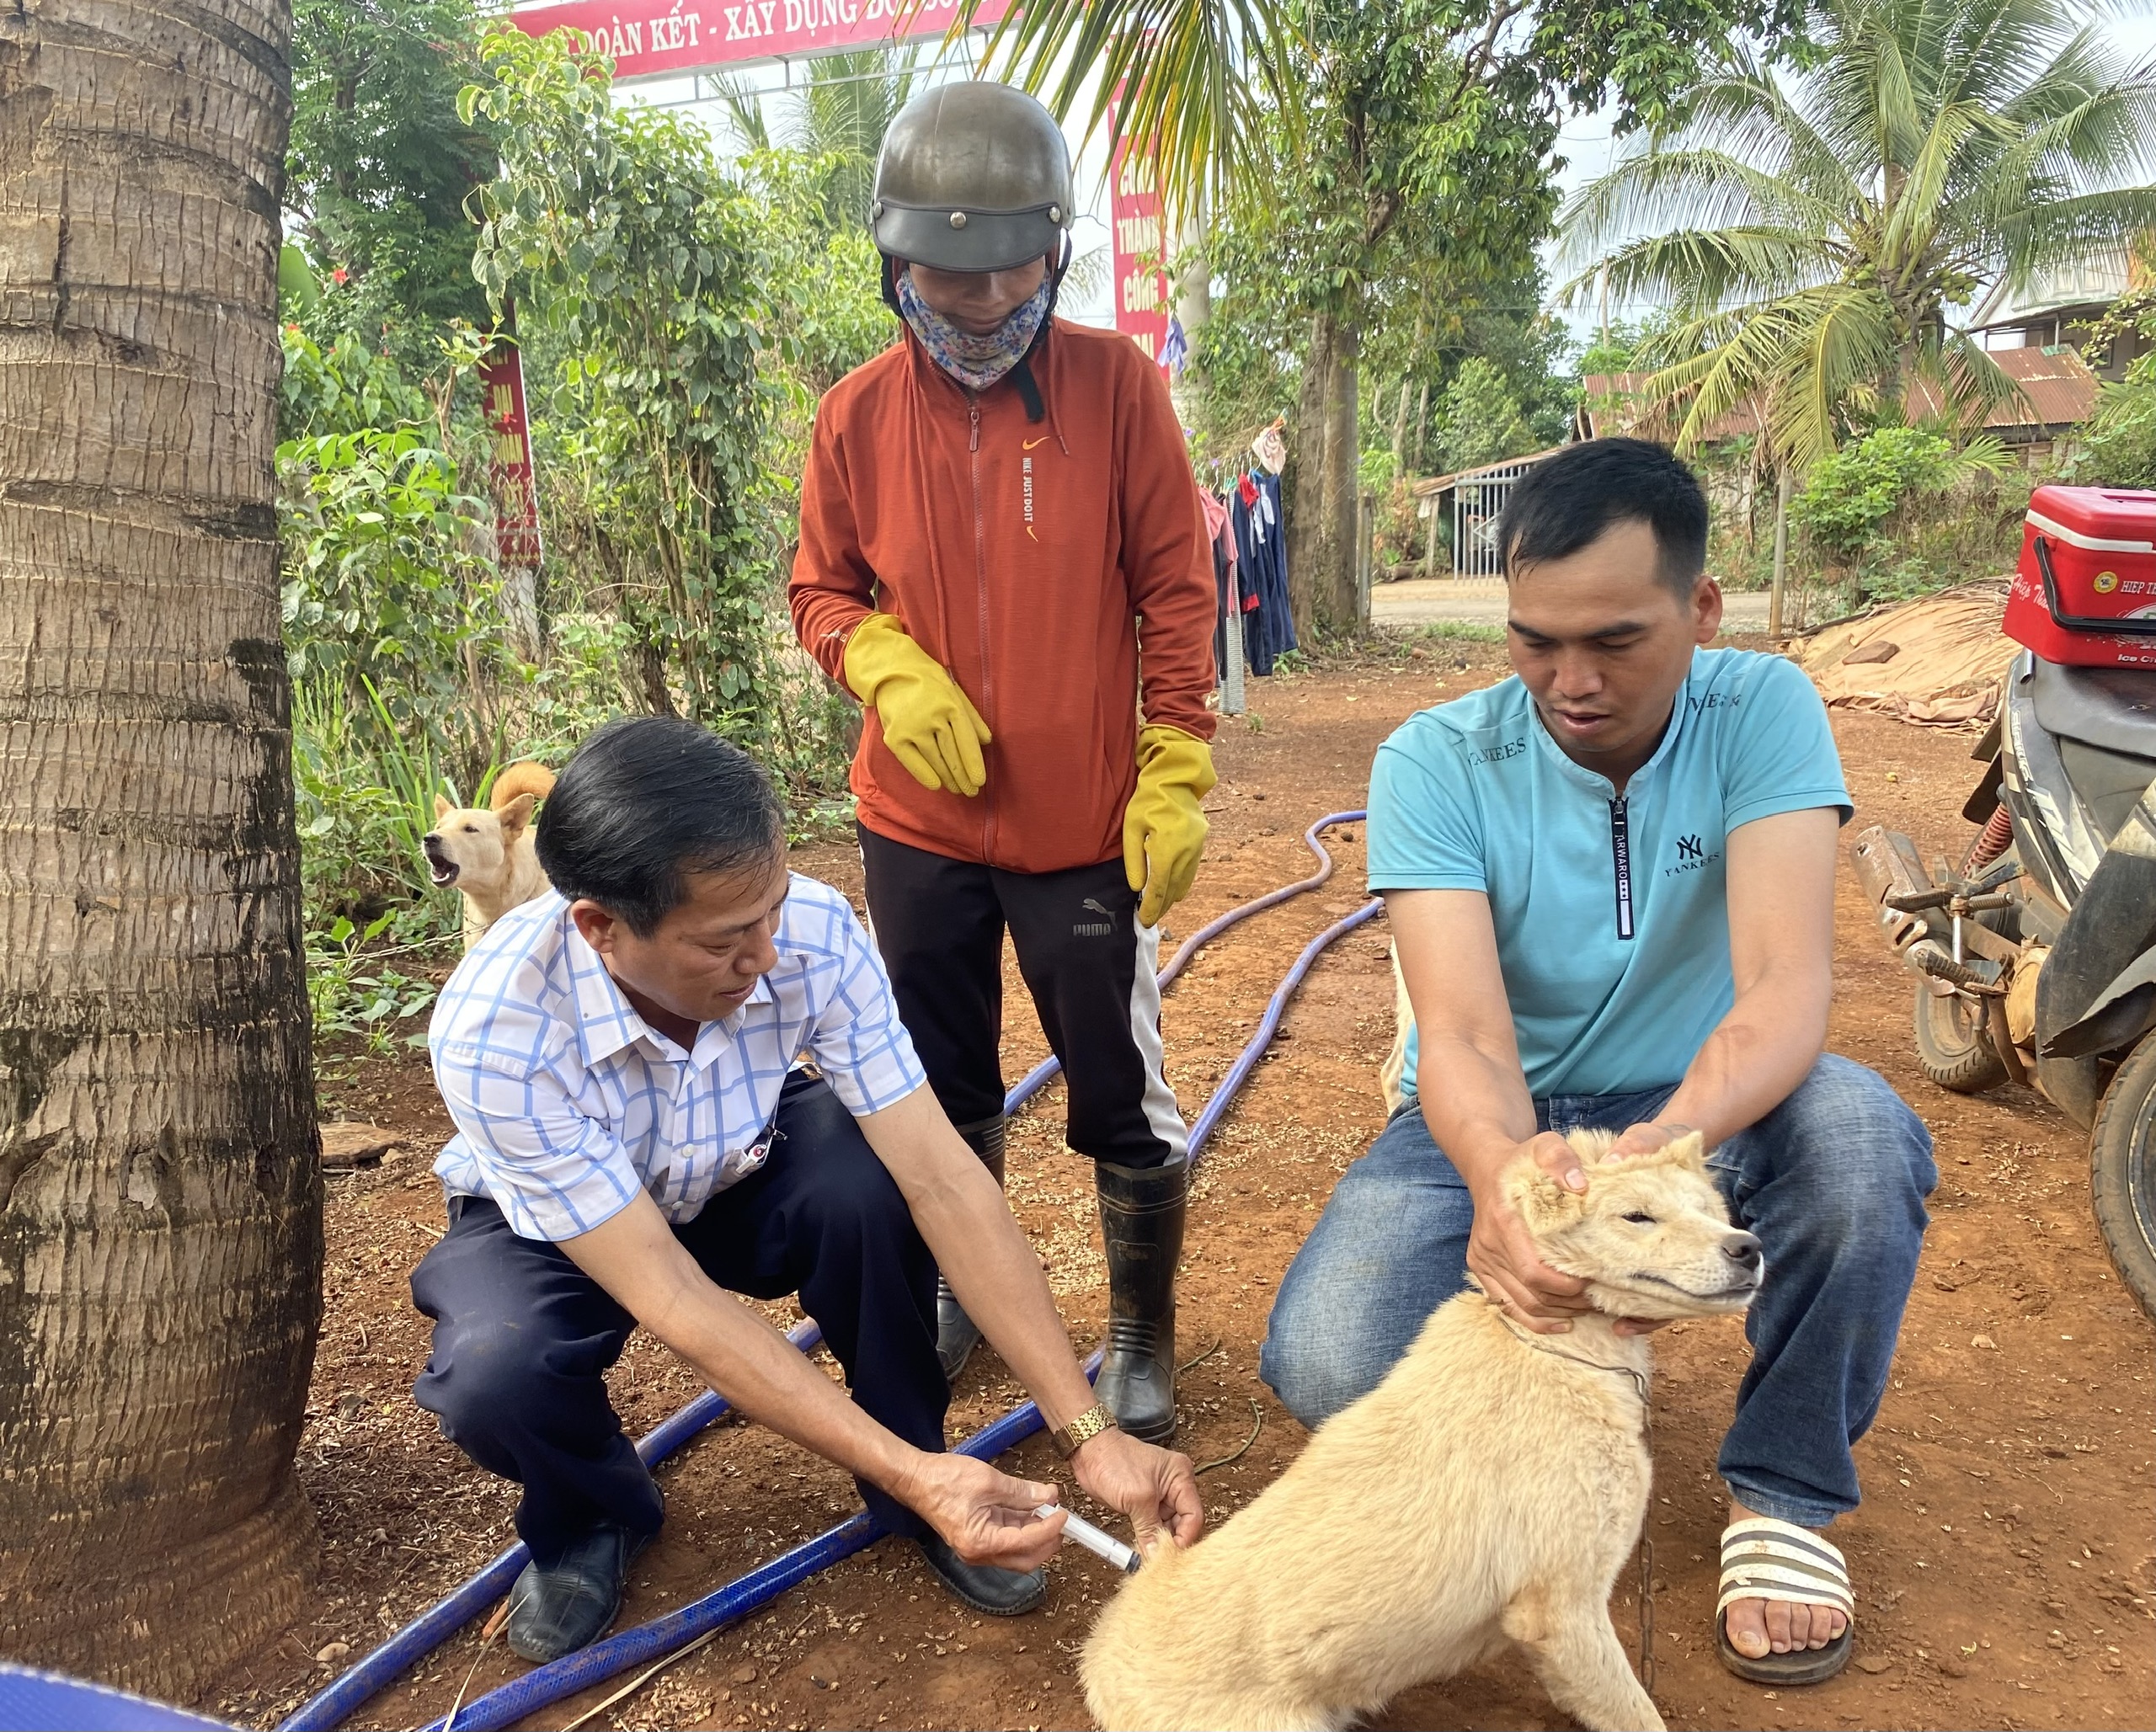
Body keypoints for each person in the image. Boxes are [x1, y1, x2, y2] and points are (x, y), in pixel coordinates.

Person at [1259, 438, 1935, 1688]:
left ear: (1702, 610)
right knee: (1331, 1357)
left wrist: (1659, 1159)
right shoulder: (1434, 759)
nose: (1569, 681)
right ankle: (1556, 1425)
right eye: (1534, 640)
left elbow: (1786, 990)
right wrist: (1508, 1182)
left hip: (1691, 1107)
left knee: (1857, 1136)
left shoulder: (1764, 710)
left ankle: (1783, 1495)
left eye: (1616, 640)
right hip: (1503, 1116)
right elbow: (1460, 1033)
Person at [410, 718, 1202, 1660]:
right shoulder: (497, 1029)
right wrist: (917, 1474)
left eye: (773, 909)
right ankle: (592, 1511)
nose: (769, 956)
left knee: (872, 1185)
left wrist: (1086, 1427)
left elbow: (944, 1176)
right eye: (724, 940)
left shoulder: (812, 931)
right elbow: (672, 1294)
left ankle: (919, 1477)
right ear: (600, 926)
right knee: (496, 1367)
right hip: (564, 1228)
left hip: (736, 1161)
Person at [789, 82, 1219, 1442]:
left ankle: (1140, 1327)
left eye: (1006, 272)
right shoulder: (854, 414)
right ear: (895, 260)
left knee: (1116, 1081)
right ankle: (962, 1288)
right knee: (938, 1073)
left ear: (1054, 252)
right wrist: (881, 665)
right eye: (945, 273)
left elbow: (1174, 587)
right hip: (917, 825)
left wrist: (1176, 764)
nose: (977, 302)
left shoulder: (1116, 388)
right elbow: (821, 589)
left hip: (1087, 823)